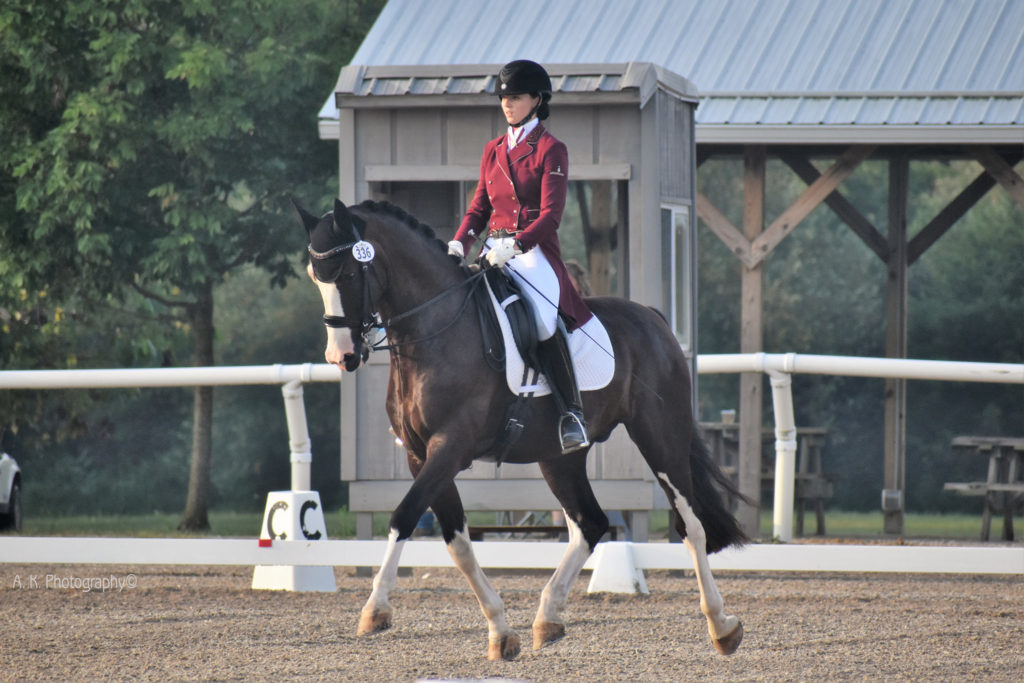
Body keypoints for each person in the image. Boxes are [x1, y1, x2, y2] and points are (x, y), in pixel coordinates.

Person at [448, 59, 592, 455]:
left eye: (515, 97)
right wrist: (459, 244)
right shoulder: (492, 150)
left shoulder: (550, 149)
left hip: (532, 252)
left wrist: (516, 245)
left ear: (536, 100)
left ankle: (571, 414)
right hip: (492, 249)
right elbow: (478, 209)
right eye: (503, 98)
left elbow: (551, 216)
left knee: (544, 320)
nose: (507, 104)